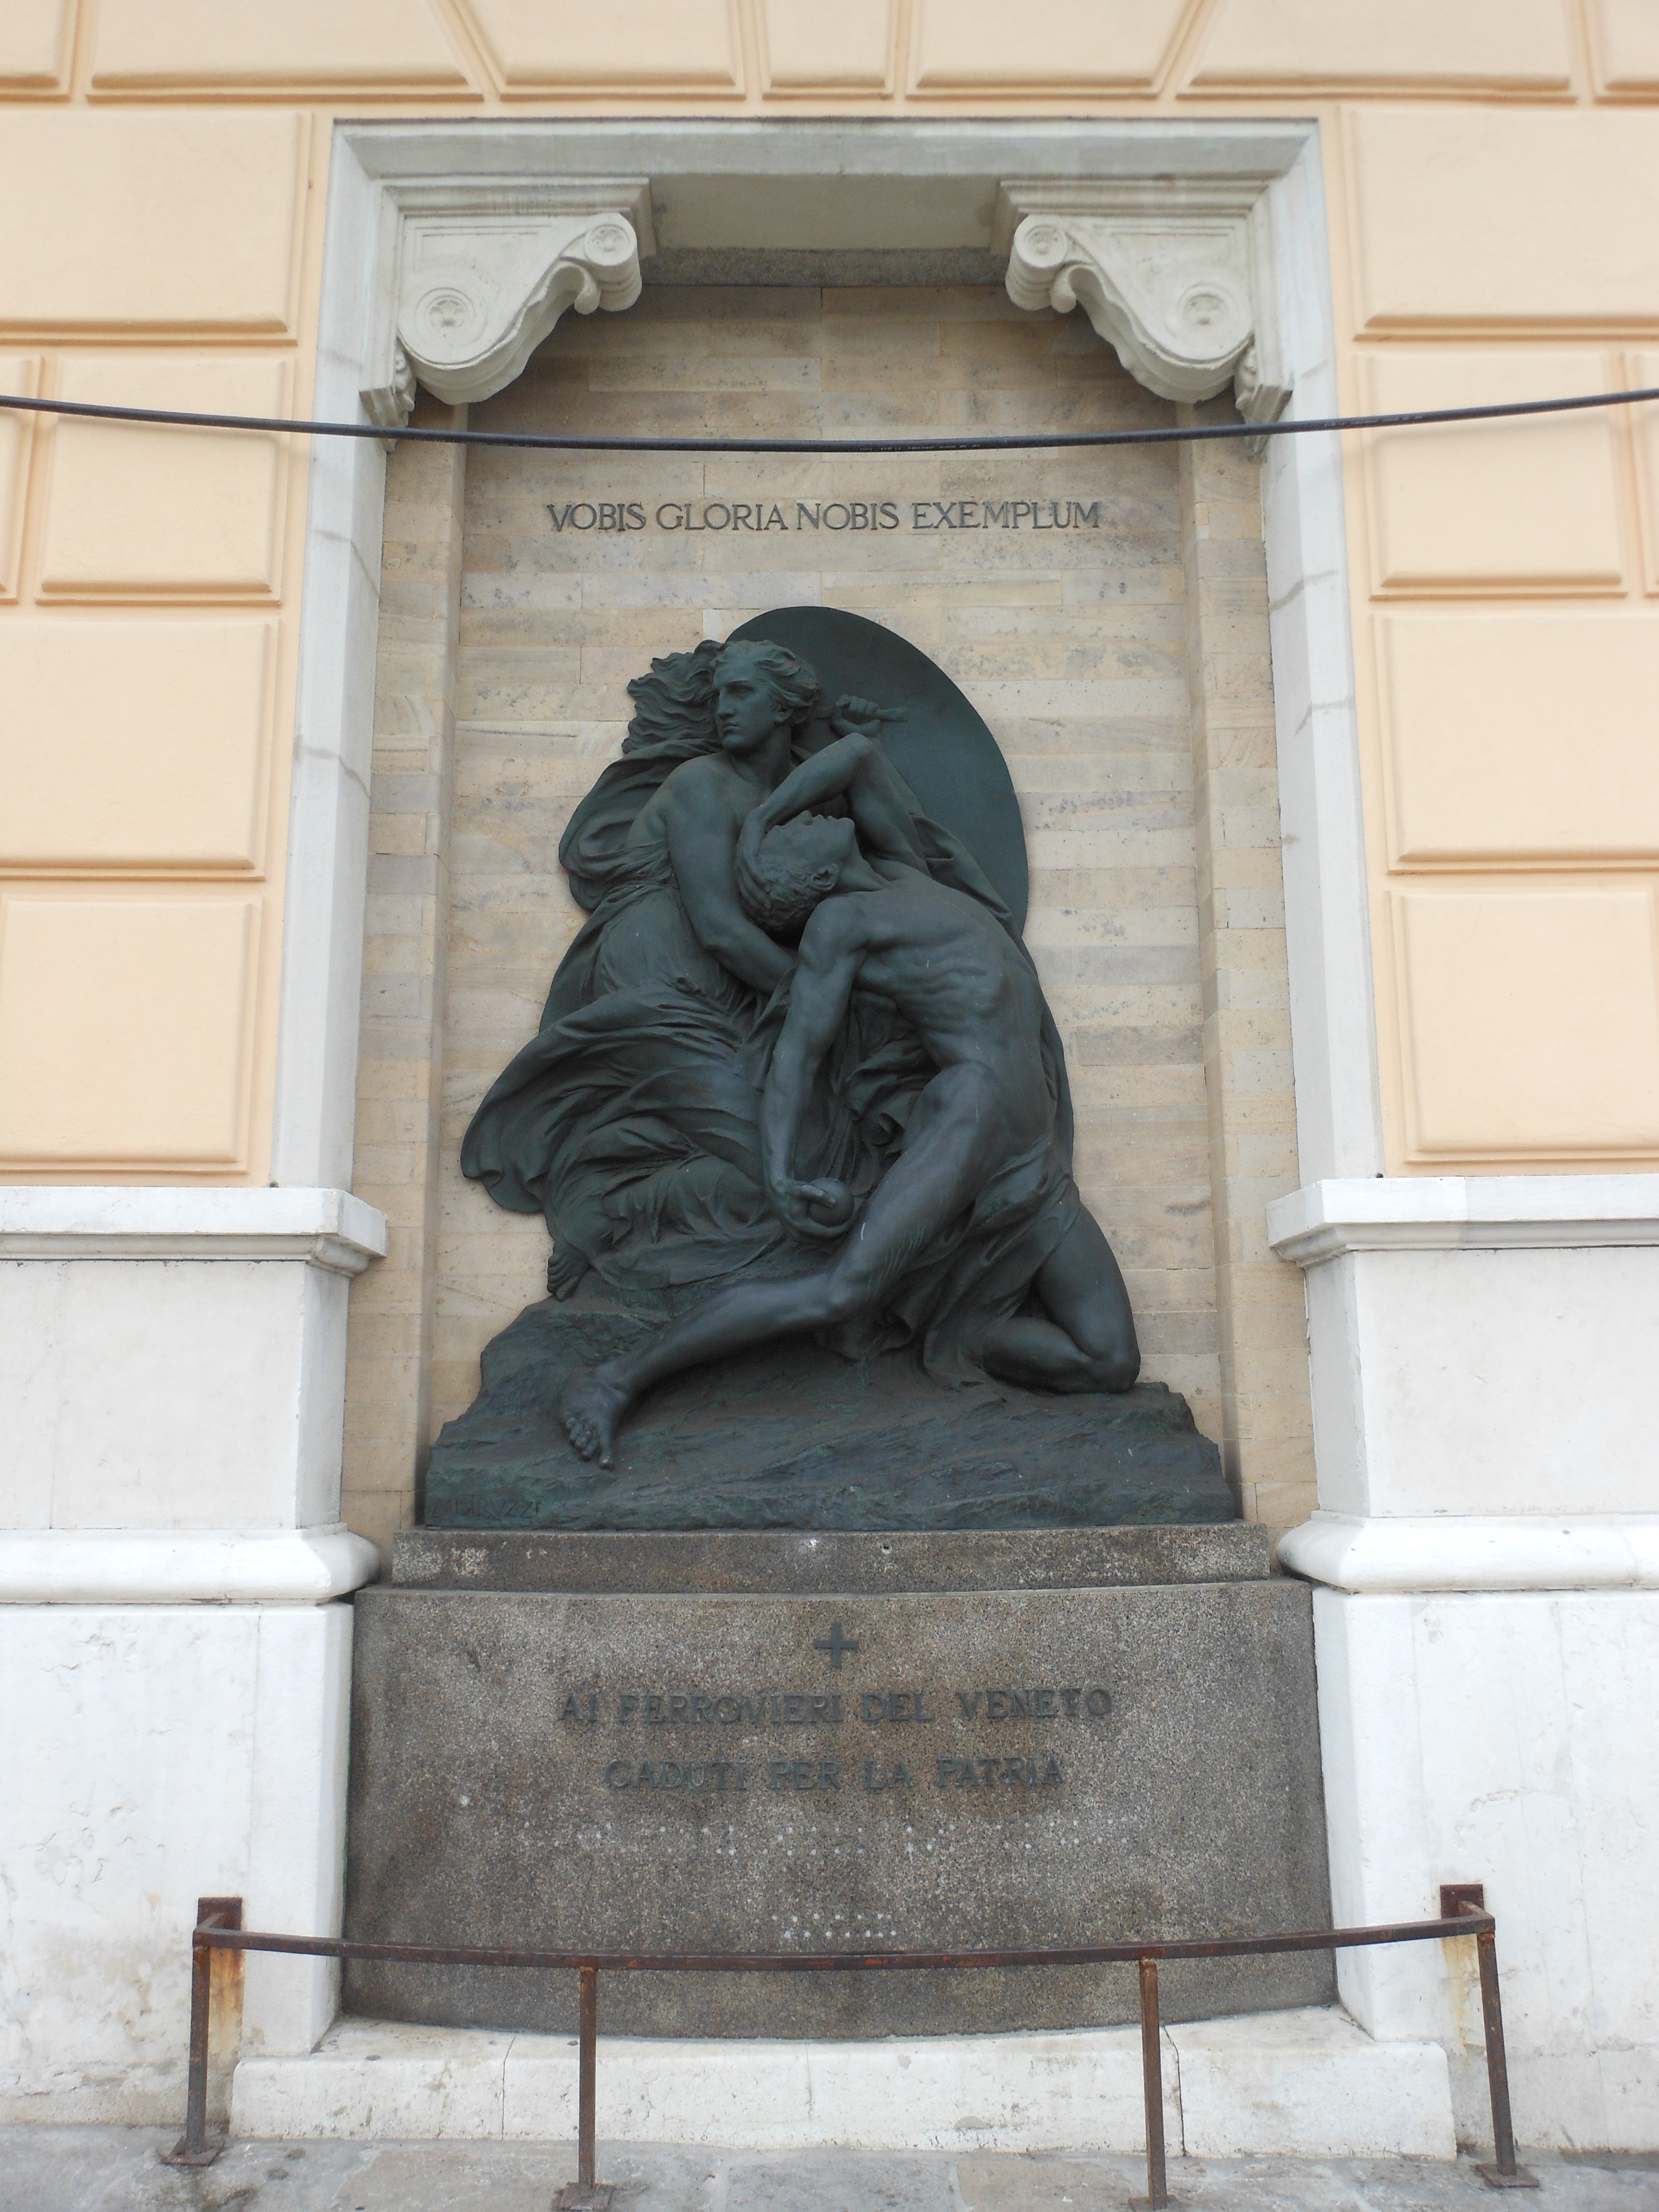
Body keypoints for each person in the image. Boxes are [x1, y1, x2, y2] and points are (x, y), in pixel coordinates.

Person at [560, 731, 1140, 1468]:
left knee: (1108, 1359)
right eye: (795, 835)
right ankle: (613, 1380)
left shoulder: (904, 870)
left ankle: (954, 1332)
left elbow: (860, 754)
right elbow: (797, 1058)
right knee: (840, 1294)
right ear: (803, 882)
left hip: (1029, 1147)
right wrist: (778, 1171)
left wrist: (764, 819)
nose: (813, 818)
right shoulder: (844, 928)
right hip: (971, 1115)